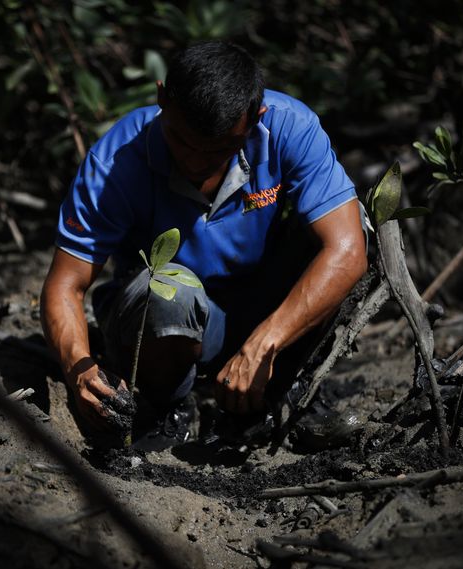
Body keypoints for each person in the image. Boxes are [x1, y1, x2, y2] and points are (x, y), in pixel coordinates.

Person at [41, 41, 367, 450]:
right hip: (155, 322)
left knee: (358, 226)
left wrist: (265, 343)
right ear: (162, 98)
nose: (196, 162)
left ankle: (287, 389)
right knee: (172, 294)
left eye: (217, 150)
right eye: (182, 141)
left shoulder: (289, 129)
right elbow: (64, 285)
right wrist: (78, 369)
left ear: (255, 119)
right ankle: (169, 409)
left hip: (257, 309)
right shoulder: (115, 162)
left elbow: (348, 250)